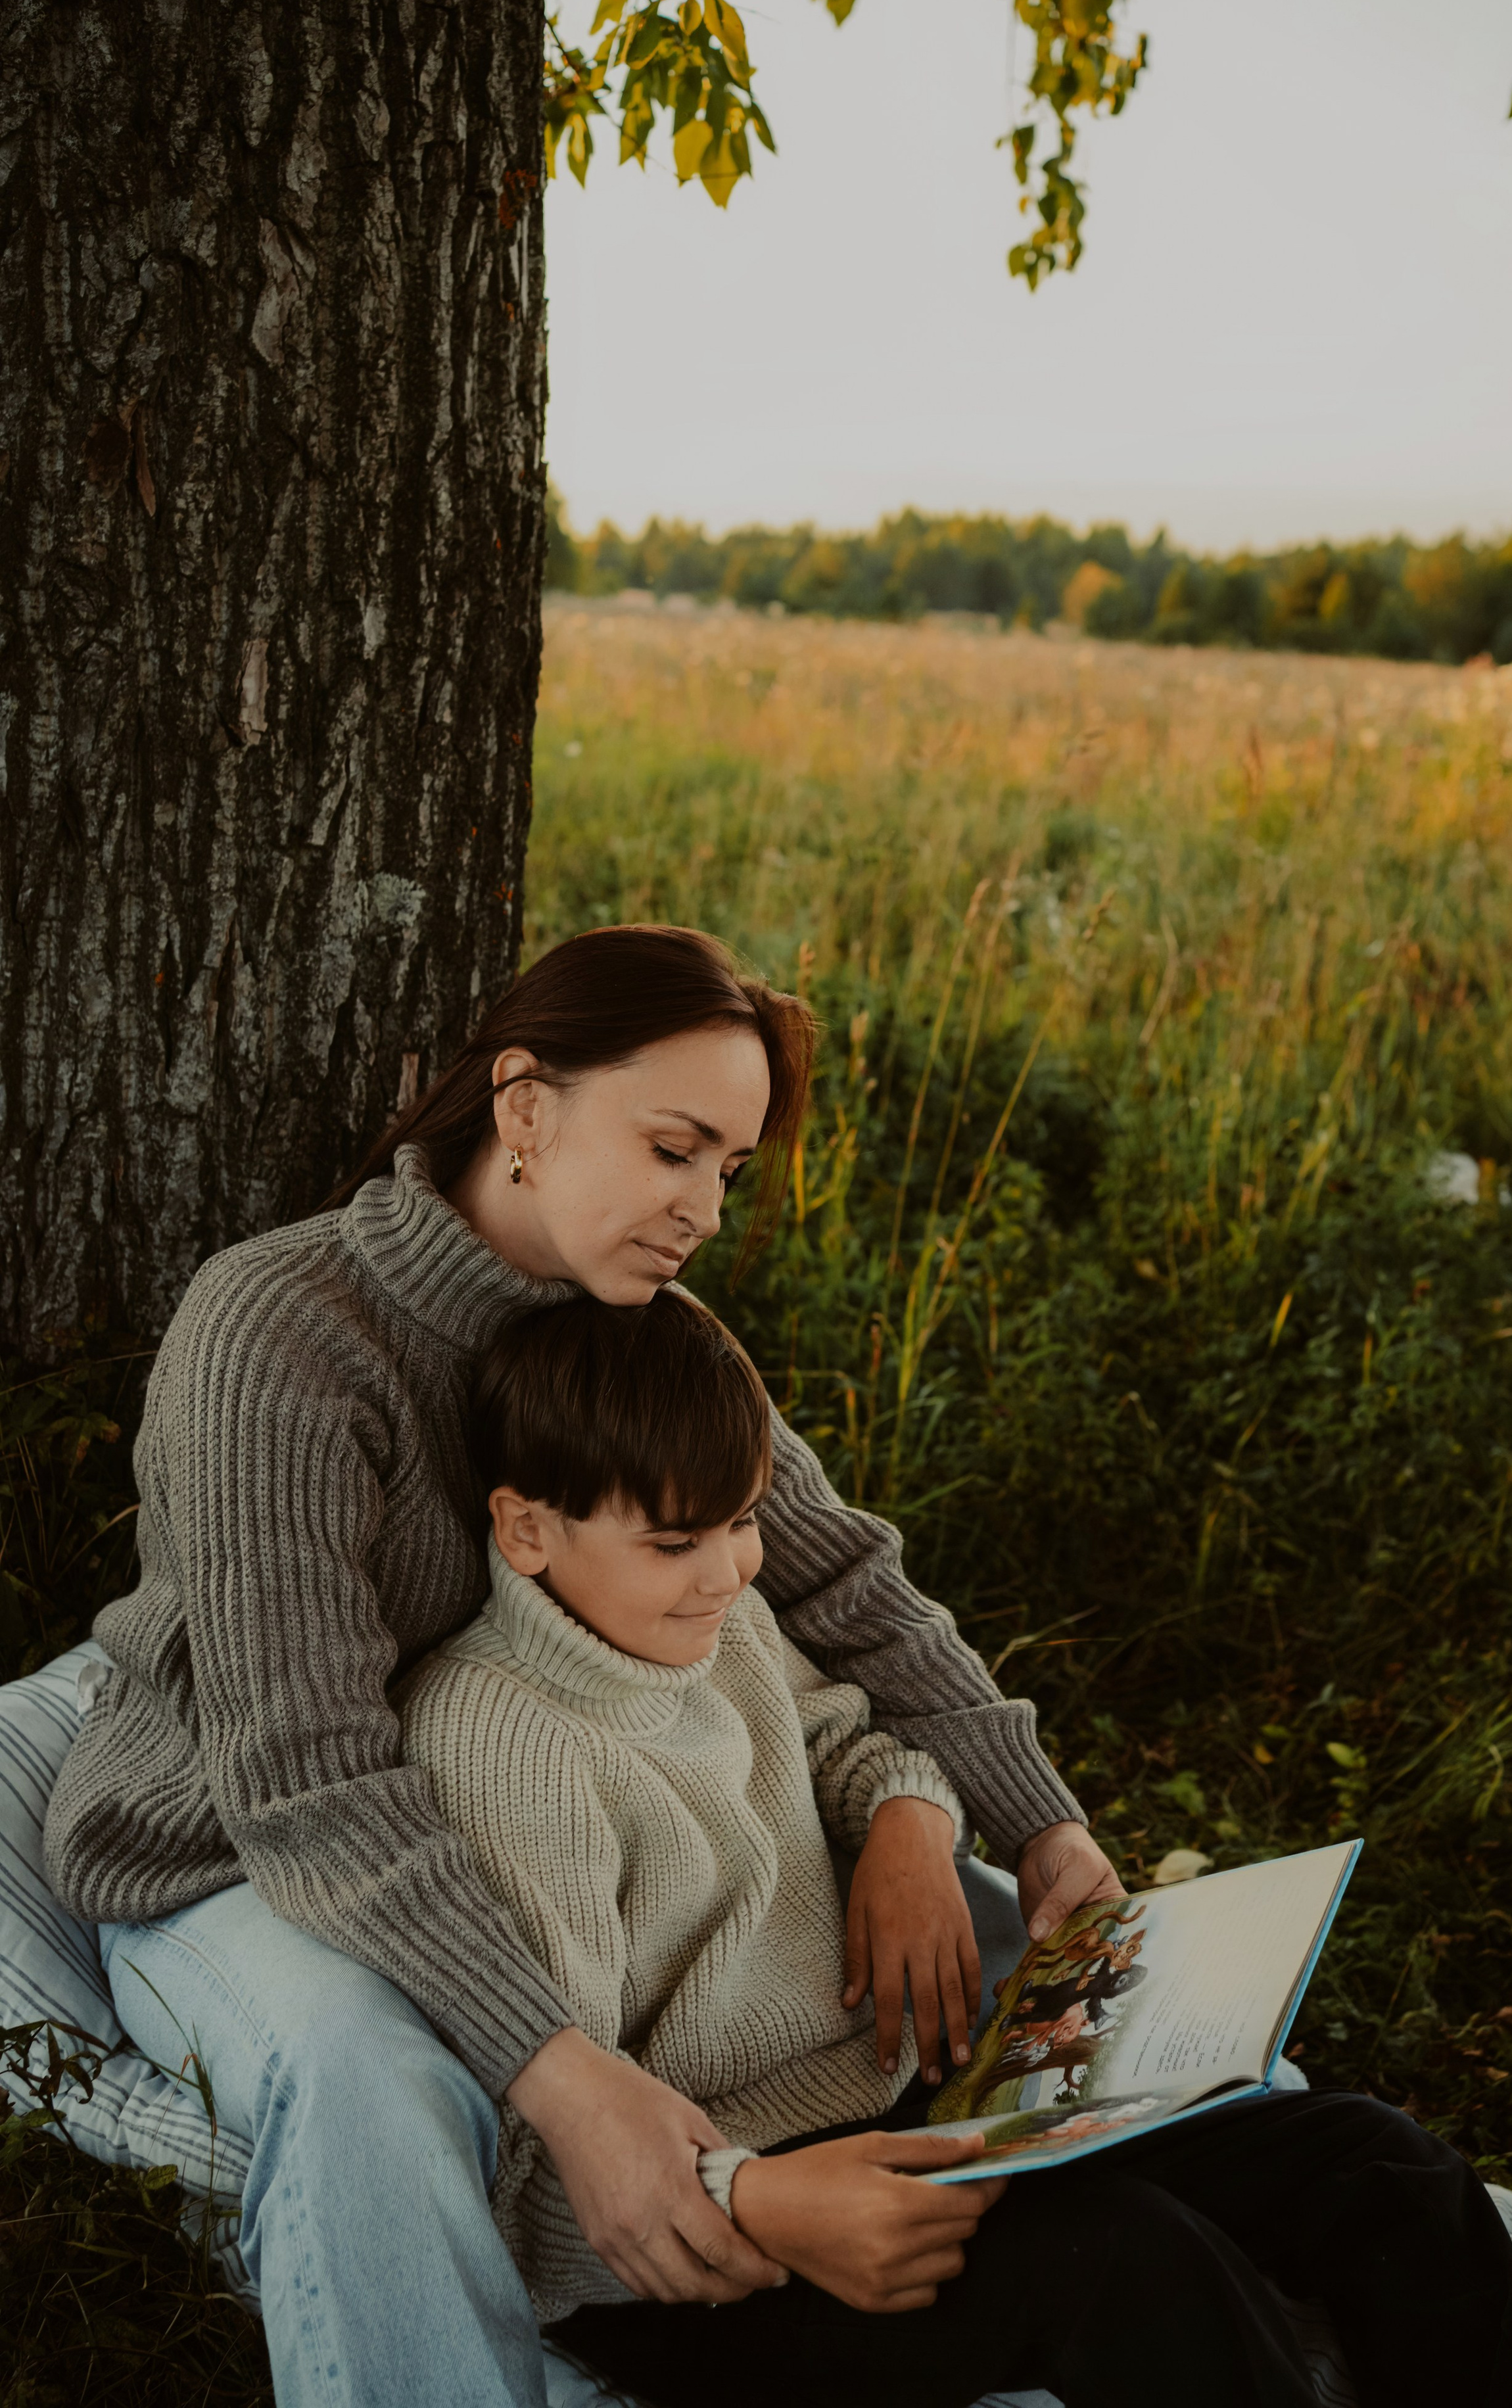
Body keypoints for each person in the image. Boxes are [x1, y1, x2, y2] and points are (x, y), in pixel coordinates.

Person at [41, 924, 1104, 2408]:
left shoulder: (645, 1329)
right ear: (524, 1105)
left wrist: (1017, 1826)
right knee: (377, 2071)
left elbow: (838, 1578)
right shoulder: (278, 1335)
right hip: (232, 1853)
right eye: (673, 1148)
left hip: (541, 1801)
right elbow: (302, 1777)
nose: (702, 1212)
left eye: (726, 1170)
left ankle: (1249, 2259)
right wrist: (564, 2075)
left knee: (997, 1960)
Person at [400, 1285, 1512, 2408]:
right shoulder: (505, 1747)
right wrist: (754, 2202)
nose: (726, 1574)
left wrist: (909, 1818)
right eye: (677, 1543)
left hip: (897, 2116)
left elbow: (849, 1741)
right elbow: (547, 2175)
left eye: (746, 1521)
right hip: (713, 2250)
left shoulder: (710, 1623)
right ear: (525, 1530)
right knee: (1124, 2262)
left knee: (1374, 2165)